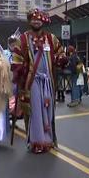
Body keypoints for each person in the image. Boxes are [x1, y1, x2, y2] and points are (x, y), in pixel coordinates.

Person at [11, 8, 67, 154]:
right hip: (32, 81)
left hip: (48, 81)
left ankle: (48, 140)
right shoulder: (23, 38)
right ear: (30, 21)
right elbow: (16, 58)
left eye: (39, 19)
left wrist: (61, 59)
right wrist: (19, 69)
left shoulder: (51, 38)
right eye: (33, 19)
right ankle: (36, 142)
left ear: (43, 21)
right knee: (35, 110)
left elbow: (61, 52)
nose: (36, 21)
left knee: (47, 110)